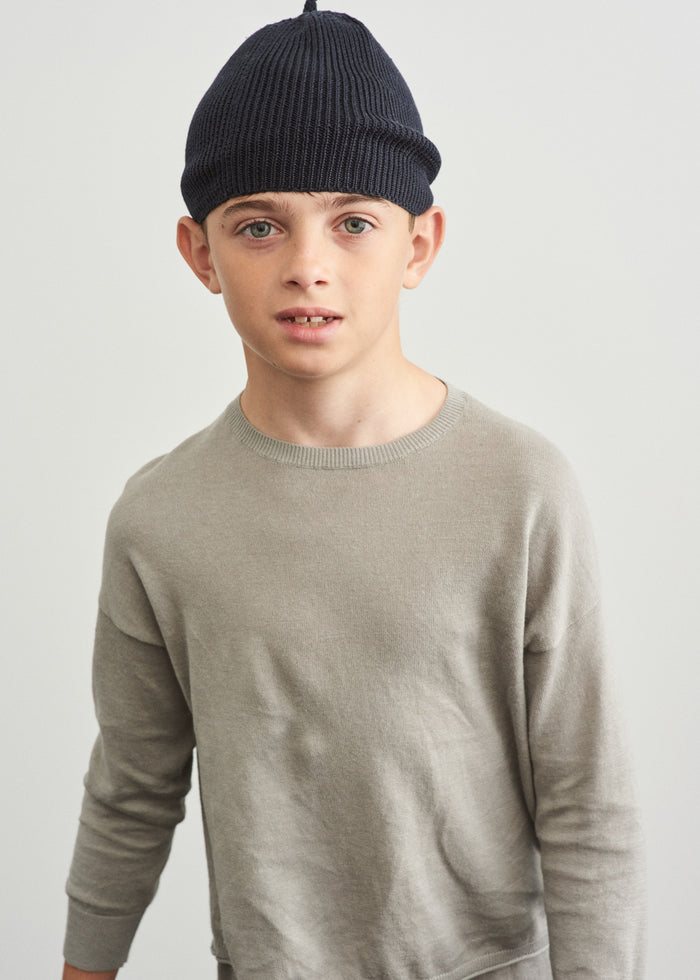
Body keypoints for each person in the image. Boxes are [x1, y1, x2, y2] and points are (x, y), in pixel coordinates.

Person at [62, 3, 646, 978]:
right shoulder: (160, 519)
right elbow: (131, 789)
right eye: (259, 226)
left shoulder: (520, 489)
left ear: (418, 245)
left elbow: (587, 802)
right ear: (200, 253)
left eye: (354, 223)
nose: (308, 267)